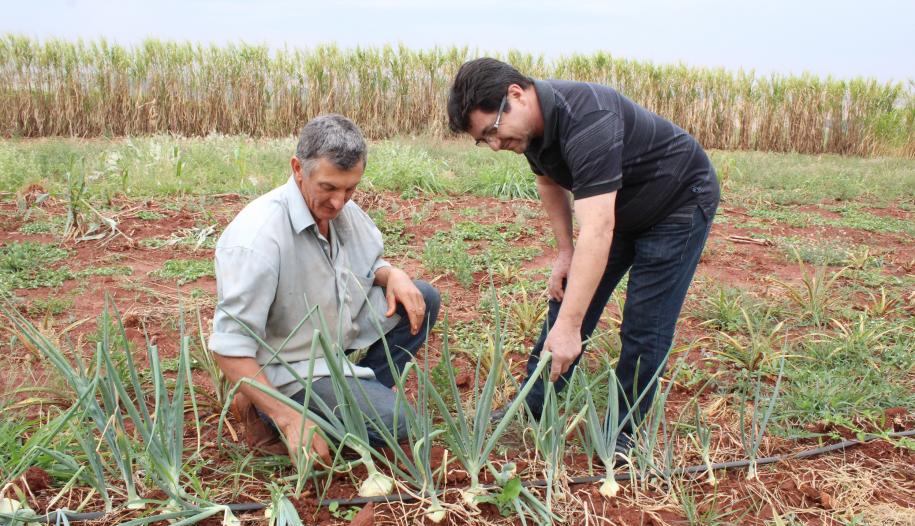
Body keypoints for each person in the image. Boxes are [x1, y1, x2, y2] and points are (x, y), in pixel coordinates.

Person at [447, 58, 719, 447]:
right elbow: (548, 181)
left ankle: (622, 433)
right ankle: (532, 409)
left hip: (677, 202)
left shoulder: (589, 119)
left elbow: (598, 227)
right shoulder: (529, 128)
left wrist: (572, 328)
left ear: (516, 95)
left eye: (492, 131)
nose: (494, 145)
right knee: (567, 301)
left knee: (644, 324)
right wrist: (564, 253)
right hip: (618, 206)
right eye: (483, 139)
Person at [209, 114, 440, 464]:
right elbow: (229, 348)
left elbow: (366, 264)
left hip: (331, 342)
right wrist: (289, 419)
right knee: (400, 424)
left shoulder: (342, 212)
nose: (339, 202)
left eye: (350, 189)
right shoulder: (258, 239)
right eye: (329, 188)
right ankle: (267, 409)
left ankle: (354, 396)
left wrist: (392, 274)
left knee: (423, 298)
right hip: (290, 368)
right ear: (298, 168)